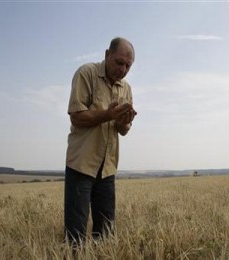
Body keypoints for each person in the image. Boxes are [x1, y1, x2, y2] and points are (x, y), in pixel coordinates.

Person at [64, 37, 137, 244]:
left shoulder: (126, 89)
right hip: (81, 166)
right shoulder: (86, 73)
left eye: (128, 66)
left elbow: (123, 131)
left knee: (105, 236)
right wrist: (109, 115)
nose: (123, 69)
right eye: (119, 62)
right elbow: (76, 116)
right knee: (75, 238)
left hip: (107, 169)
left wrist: (124, 121)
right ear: (107, 55)